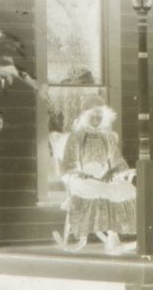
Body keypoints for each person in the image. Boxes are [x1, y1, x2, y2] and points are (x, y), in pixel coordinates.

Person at [56, 104, 133, 250]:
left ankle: (112, 235)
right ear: (86, 116)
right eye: (93, 115)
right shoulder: (76, 137)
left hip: (103, 175)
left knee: (121, 190)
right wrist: (81, 173)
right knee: (97, 192)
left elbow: (118, 160)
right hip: (82, 177)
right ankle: (100, 236)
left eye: (100, 115)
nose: (96, 118)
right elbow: (70, 163)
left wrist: (113, 170)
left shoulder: (107, 137)